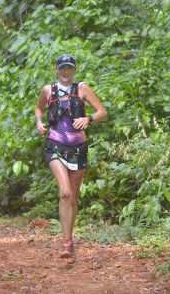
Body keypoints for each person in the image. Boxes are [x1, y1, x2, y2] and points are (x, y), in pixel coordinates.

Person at [34, 54, 107, 259]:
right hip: (55, 143)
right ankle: (66, 243)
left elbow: (102, 111)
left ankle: (69, 237)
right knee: (65, 192)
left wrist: (88, 118)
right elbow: (39, 108)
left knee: (73, 196)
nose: (66, 72)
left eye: (69, 69)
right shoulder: (48, 90)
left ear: (73, 70)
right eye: (62, 68)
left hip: (78, 146)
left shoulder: (82, 88)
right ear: (56, 69)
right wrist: (39, 122)